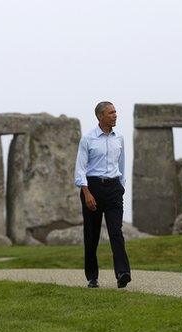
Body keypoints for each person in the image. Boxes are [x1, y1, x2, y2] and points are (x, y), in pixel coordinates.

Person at [74, 101, 131, 288]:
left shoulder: (119, 138)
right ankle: (92, 276)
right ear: (100, 116)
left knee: (116, 232)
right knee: (92, 235)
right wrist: (87, 192)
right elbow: (80, 169)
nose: (115, 115)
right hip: (93, 188)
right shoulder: (88, 139)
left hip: (114, 188)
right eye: (111, 113)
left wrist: (121, 187)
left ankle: (123, 273)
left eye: (115, 112)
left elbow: (121, 164)